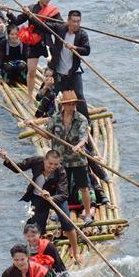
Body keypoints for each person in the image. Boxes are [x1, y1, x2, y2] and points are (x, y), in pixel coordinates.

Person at [0, 147, 81, 263]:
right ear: (44, 161)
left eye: (55, 164)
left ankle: (75, 250)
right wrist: (7, 159)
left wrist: (51, 197)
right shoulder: (36, 161)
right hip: (38, 197)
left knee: (67, 222)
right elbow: (18, 168)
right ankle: (38, 254)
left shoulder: (61, 171)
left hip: (56, 197)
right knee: (37, 227)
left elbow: (64, 194)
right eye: (50, 164)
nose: (52, 167)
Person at [45, 90, 92, 225]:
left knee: (83, 187)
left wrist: (79, 145)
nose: (71, 107)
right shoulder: (55, 118)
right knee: (59, 188)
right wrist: (33, 126)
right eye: (69, 104)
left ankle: (88, 214)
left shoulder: (81, 119)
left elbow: (84, 137)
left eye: (73, 104)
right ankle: (56, 213)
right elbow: (48, 135)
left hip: (78, 160)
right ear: (63, 105)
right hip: (61, 161)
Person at [15, 0, 62, 102]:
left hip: (46, 43)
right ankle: (29, 97)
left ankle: (54, 96)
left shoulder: (53, 12)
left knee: (53, 71)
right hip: (33, 44)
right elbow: (17, 21)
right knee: (31, 71)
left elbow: (61, 25)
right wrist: (9, 13)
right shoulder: (30, 8)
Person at [48, 10, 90, 120]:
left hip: (73, 71)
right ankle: (52, 119)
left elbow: (87, 50)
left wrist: (75, 48)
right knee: (54, 96)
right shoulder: (60, 28)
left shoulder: (82, 34)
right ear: (68, 21)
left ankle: (86, 122)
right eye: (73, 21)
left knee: (79, 96)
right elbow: (43, 25)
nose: (76, 24)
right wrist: (30, 15)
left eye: (78, 21)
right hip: (59, 71)